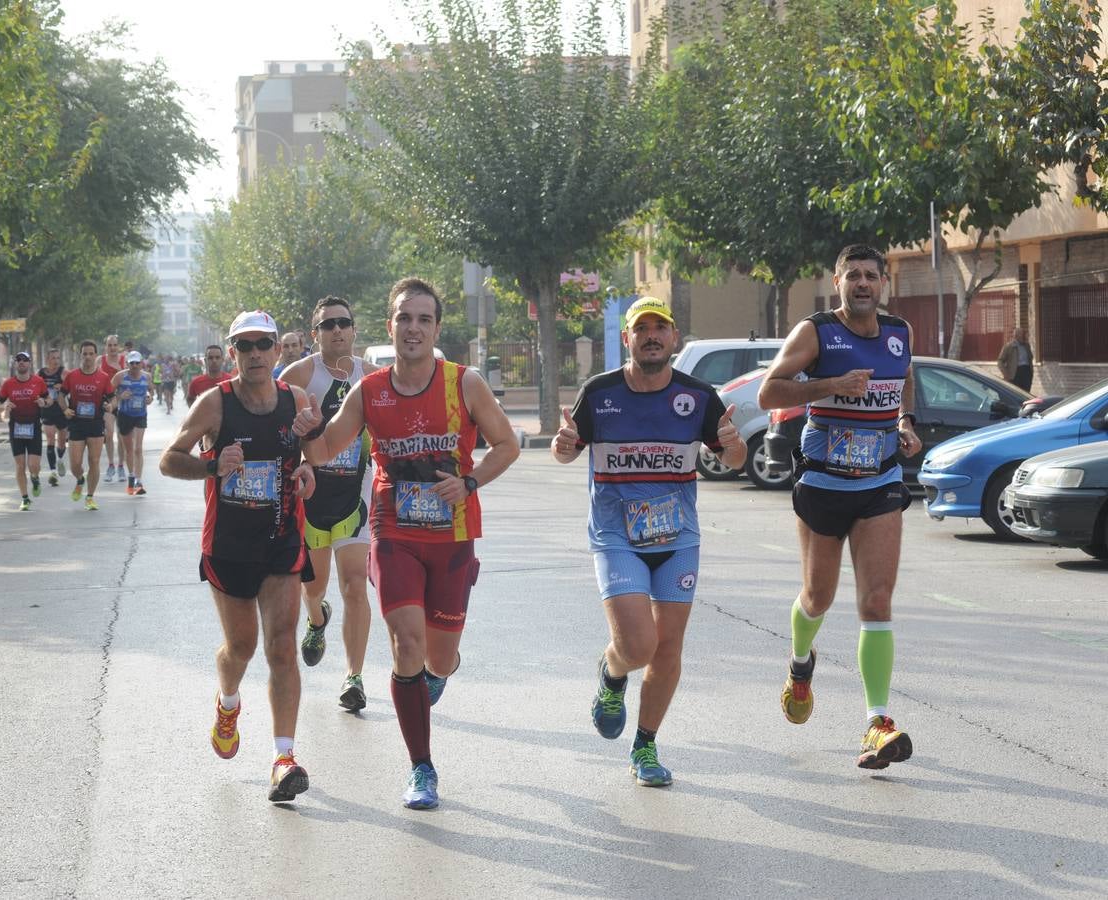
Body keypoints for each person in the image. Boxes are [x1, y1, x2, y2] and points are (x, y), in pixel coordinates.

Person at [293, 277, 520, 810]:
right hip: (393, 531)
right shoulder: (369, 391)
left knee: (438, 658)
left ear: (436, 328)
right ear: (390, 326)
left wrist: (469, 482)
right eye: (403, 318)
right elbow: (325, 451)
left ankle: (437, 675)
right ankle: (422, 767)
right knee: (406, 646)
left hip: (453, 536)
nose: (413, 327)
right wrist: (307, 431)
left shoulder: (465, 384)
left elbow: (508, 444)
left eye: (423, 319)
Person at [552, 297, 745, 787]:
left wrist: (736, 447)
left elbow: (733, 458)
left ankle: (645, 746)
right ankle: (612, 673)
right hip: (616, 534)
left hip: (678, 538)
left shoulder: (698, 397)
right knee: (638, 644)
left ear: (674, 339)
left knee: (667, 649)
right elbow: (569, 450)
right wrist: (563, 447)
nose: (652, 336)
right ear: (627, 339)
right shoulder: (600, 393)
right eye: (643, 329)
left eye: (661, 327)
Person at [757, 244, 923, 770]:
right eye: (852, 275)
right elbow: (768, 392)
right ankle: (801, 665)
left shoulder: (899, 332)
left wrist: (903, 422)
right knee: (818, 597)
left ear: (883, 282)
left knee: (876, 602)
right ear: (837, 282)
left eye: (871, 275)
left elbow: (904, 378)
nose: (862, 283)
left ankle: (877, 722)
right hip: (824, 483)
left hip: (879, 481)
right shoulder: (816, 332)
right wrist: (831, 385)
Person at [159, 309, 318, 804]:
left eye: (262, 344)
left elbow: (309, 456)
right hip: (228, 545)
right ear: (232, 353)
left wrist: (310, 468)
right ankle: (228, 704)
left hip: (281, 539)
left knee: (282, 646)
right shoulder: (216, 404)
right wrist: (211, 464)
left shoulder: (296, 401)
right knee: (242, 648)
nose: (254, 354)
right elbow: (168, 460)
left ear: (277, 350)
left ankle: (284, 758)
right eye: (243, 346)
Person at [281, 296, 374, 710]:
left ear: (354, 329)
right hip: (312, 500)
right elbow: (278, 432)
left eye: (344, 323)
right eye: (328, 324)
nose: (338, 330)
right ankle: (317, 621)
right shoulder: (299, 375)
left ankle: (353, 677)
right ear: (315, 333)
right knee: (314, 588)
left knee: (355, 586)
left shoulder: (373, 378)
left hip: (356, 496)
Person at [61, 340, 115, 511]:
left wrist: (110, 406)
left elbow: (113, 397)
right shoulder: (72, 376)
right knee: (75, 464)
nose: (88, 357)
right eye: (85, 354)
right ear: (81, 355)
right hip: (76, 423)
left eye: (91, 354)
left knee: (94, 461)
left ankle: (90, 497)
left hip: (95, 423)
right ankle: (80, 479)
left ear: (95, 355)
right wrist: (65, 410)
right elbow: (60, 396)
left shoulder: (103, 378)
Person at [0, 351, 51, 511]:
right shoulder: (8, 384)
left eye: (24, 360)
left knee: (34, 465)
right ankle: (25, 498)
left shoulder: (38, 381)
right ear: (14, 364)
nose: (21, 362)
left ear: (29, 363)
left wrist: (43, 402)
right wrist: (4, 406)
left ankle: (35, 478)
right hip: (16, 428)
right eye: (18, 360)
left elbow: (50, 400)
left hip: (33, 427)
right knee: (20, 466)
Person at [111, 351, 151, 496]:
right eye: (131, 363)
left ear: (142, 363)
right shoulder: (120, 377)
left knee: (138, 448)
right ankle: (131, 475)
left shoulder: (147, 377)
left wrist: (149, 398)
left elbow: (150, 392)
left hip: (140, 414)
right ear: (127, 364)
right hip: (125, 415)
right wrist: (120, 396)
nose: (134, 366)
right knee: (129, 450)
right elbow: (109, 394)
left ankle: (139, 482)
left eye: (137, 363)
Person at [98, 335, 126, 484]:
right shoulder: (100, 361)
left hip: (122, 401)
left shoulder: (124, 360)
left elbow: (131, 378)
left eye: (115, 345)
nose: (113, 348)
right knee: (109, 434)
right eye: (110, 345)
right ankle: (110, 465)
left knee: (121, 436)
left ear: (118, 346)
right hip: (106, 402)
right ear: (106, 347)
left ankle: (121, 466)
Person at [38, 348, 68, 486]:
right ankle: (52, 472)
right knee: (50, 438)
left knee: (61, 441)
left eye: (57, 358)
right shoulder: (41, 373)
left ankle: (60, 459)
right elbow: (35, 388)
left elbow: (72, 388)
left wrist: (62, 387)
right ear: (47, 360)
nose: (56, 361)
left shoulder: (63, 372)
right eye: (53, 358)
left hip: (61, 409)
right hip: (47, 410)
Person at [997, 326, 1034, 392]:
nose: (1024, 336)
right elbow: (1000, 361)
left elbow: (1030, 358)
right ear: (1017, 336)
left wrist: (1031, 372)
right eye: (1022, 334)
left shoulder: (1026, 345)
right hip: (1015, 373)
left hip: (1027, 372)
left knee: (1026, 393)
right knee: (1017, 393)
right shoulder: (1009, 346)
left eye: (1024, 334)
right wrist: (1006, 374)